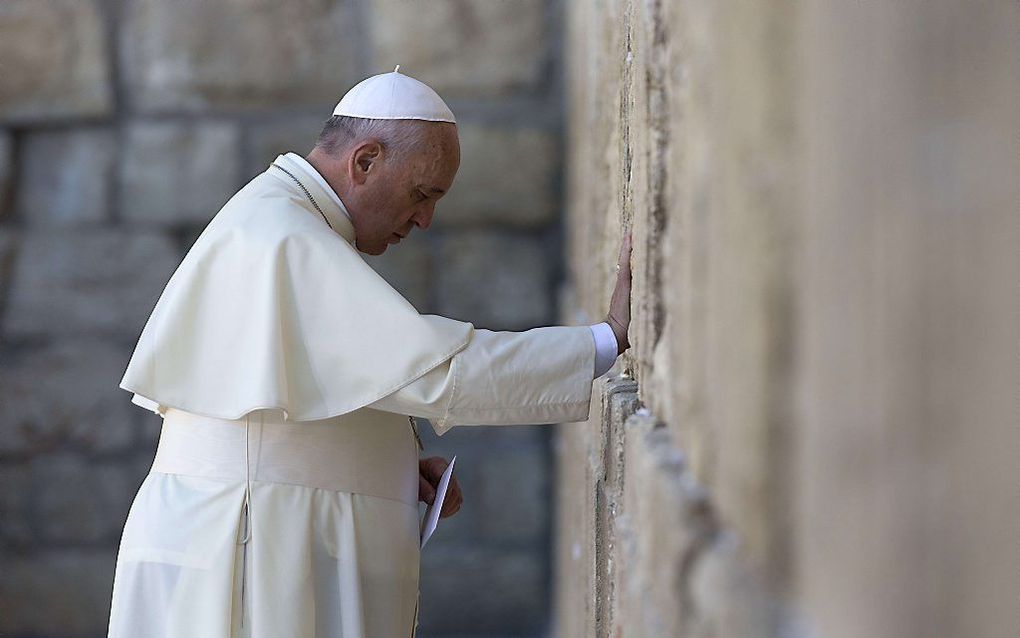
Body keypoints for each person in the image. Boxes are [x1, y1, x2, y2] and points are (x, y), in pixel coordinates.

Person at [106, 67, 633, 638]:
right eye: (422, 194)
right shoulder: (283, 237)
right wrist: (604, 340)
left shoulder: (284, 220)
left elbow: (301, 409)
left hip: (249, 534)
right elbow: (438, 371)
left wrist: (388, 464)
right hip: (245, 549)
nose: (425, 220)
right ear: (365, 162)